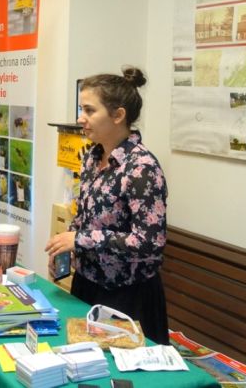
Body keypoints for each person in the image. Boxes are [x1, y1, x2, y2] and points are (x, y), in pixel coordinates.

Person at [45, 67, 169, 344]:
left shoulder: (142, 168)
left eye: (90, 110)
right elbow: (85, 216)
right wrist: (66, 248)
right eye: (81, 109)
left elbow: (149, 242)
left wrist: (81, 239)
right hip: (87, 286)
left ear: (118, 115)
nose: (81, 118)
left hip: (127, 297)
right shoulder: (92, 156)